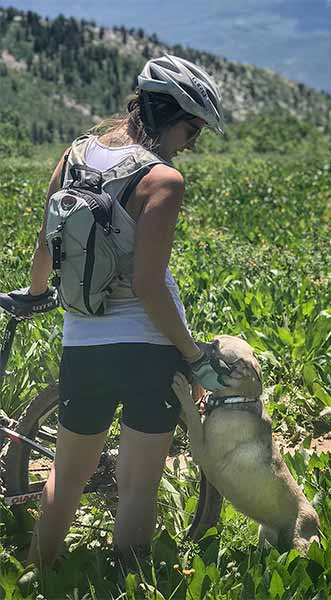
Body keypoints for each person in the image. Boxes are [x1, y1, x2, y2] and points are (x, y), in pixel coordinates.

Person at [5, 55, 230, 567]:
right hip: (148, 350)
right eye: (191, 128)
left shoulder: (74, 155)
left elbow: (46, 245)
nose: (192, 142)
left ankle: (37, 573)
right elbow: (150, 287)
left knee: (66, 476)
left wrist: (39, 292)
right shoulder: (162, 180)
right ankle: (128, 581)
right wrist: (193, 356)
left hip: (82, 345)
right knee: (137, 487)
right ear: (167, 114)